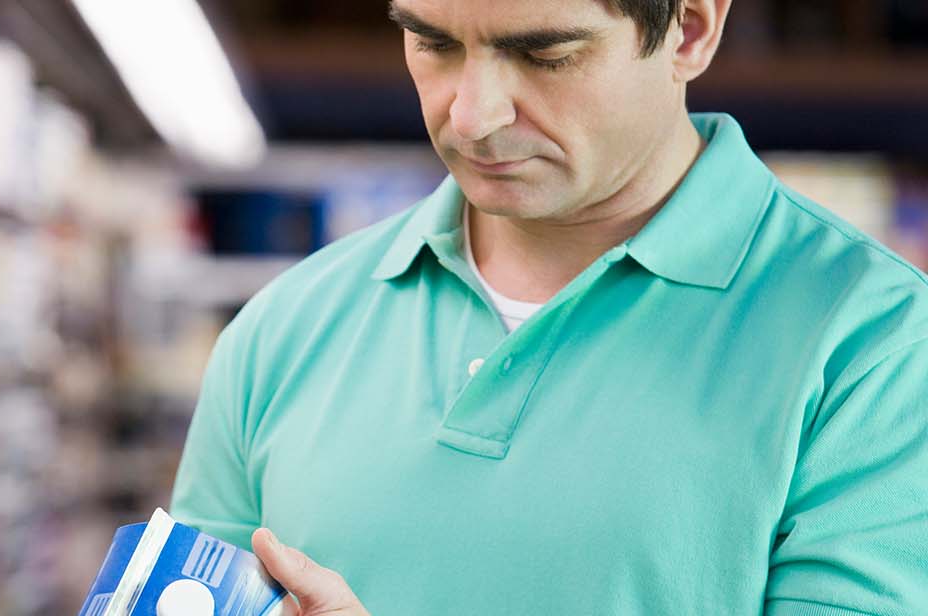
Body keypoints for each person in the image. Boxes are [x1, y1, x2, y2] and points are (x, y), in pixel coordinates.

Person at [168, 0, 928, 614]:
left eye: (545, 54)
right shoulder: (283, 328)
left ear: (689, 30)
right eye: (431, 42)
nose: (472, 115)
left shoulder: (875, 341)